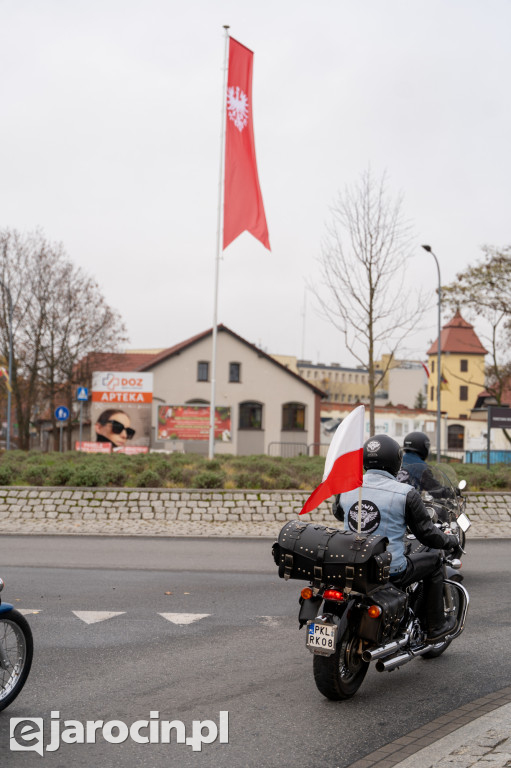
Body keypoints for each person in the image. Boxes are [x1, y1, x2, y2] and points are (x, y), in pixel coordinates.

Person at [332, 434, 462, 642]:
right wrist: (451, 541)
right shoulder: (406, 493)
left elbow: (339, 513)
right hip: (389, 570)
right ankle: (436, 626)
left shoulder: (347, 486)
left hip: (351, 564)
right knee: (436, 560)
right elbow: (426, 534)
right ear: (395, 462)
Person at [397, 431, 447, 498]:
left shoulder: (397, 459)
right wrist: (449, 492)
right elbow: (435, 489)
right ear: (424, 447)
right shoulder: (421, 466)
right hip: (409, 505)